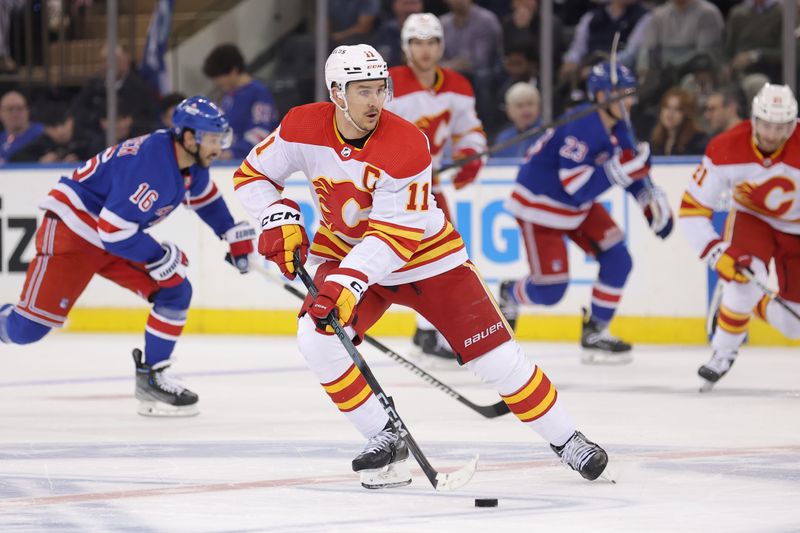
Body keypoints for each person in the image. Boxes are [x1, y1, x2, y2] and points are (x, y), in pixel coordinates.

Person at [234, 44, 609, 489]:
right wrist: (277, 217)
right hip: (345, 252)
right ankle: (384, 436)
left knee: (498, 362)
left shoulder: (407, 142)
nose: (376, 101)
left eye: (381, 89)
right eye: (363, 91)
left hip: (428, 258)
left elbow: (394, 236)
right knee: (316, 341)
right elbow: (253, 175)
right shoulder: (301, 125)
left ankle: (567, 439)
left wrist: (346, 285)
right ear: (336, 92)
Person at [0, 96, 256, 417]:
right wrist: (158, 255)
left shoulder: (188, 160)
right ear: (189, 137)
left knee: (175, 289)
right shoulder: (153, 167)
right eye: (213, 140)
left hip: (115, 234)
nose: (219, 148)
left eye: (221, 139)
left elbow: (204, 198)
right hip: (74, 231)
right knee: (27, 329)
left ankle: (152, 377)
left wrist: (231, 232)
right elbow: (113, 230)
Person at [497, 62, 674, 364]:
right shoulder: (582, 125)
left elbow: (628, 166)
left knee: (619, 258)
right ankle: (509, 294)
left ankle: (595, 331)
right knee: (551, 291)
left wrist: (647, 196)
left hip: (576, 207)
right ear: (602, 95)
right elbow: (577, 186)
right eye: (622, 94)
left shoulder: (620, 123)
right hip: (541, 207)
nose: (629, 100)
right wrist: (623, 170)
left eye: (630, 94)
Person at [679, 83, 800, 388]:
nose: (772, 134)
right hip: (752, 219)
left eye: (781, 127)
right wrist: (717, 253)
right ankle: (722, 353)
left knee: (792, 325)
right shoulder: (726, 147)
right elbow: (692, 210)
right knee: (743, 276)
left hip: (796, 229)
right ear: (754, 119)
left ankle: (745, 301)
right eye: (767, 125)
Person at [384, 12, 487, 361]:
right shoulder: (389, 84)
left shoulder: (458, 85)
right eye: (416, 42)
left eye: (431, 42)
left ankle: (429, 330)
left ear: (441, 46)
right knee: (400, 255)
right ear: (405, 47)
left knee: (443, 256)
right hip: (388, 187)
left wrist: (471, 153)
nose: (424, 50)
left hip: (429, 187)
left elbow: (468, 129)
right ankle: (428, 330)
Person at [202, 44, 279, 160]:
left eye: (219, 77)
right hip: (229, 161)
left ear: (234, 71)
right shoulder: (228, 95)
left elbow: (261, 133)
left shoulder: (259, 93)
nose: (217, 82)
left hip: (252, 163)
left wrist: (232, 153)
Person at [9, 103, 91, 164]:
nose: (60, 131)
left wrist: (82, 162)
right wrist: (40, 161)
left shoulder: (87, 140)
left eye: (62, 124)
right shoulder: (42, 143)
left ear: (71, 122)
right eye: (53, 127)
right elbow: (15, 158)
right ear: (45, 129)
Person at [649, 87, 708, 156]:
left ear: (687, 113)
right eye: (666, 107)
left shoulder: (698, 141)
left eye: (677, 109)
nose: (670, 113)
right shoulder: (655, 141)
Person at [493, 82, 542, 158]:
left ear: (538, 106)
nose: (526, 110)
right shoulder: (503, 138)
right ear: (509, 110)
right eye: (519, 105)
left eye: (530, 104)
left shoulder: (548, 134)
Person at [0, 91, 44, 164]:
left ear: (27, 111)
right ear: (1, 113)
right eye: (10, 109)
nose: (15, 114)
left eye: (19, 108)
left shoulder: (42, 134)